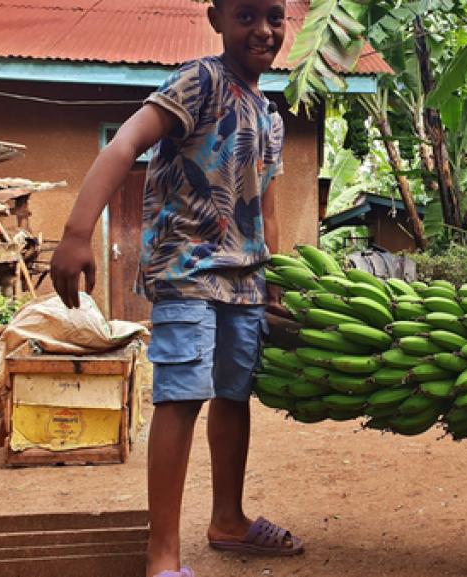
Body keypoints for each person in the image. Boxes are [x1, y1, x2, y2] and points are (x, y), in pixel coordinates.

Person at [49, 0, 303, 575]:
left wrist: (274, 278)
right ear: (216, 19)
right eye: (245, 16)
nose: (262, 30)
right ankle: (161, 556)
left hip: (244, 279)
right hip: (186, 271)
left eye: (274, 16)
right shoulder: (198, 81)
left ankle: (229, 520)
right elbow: (123, 145)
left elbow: (266, 203)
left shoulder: (270, 115)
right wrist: (76, 232)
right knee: (182, 396)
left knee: (233, 397)